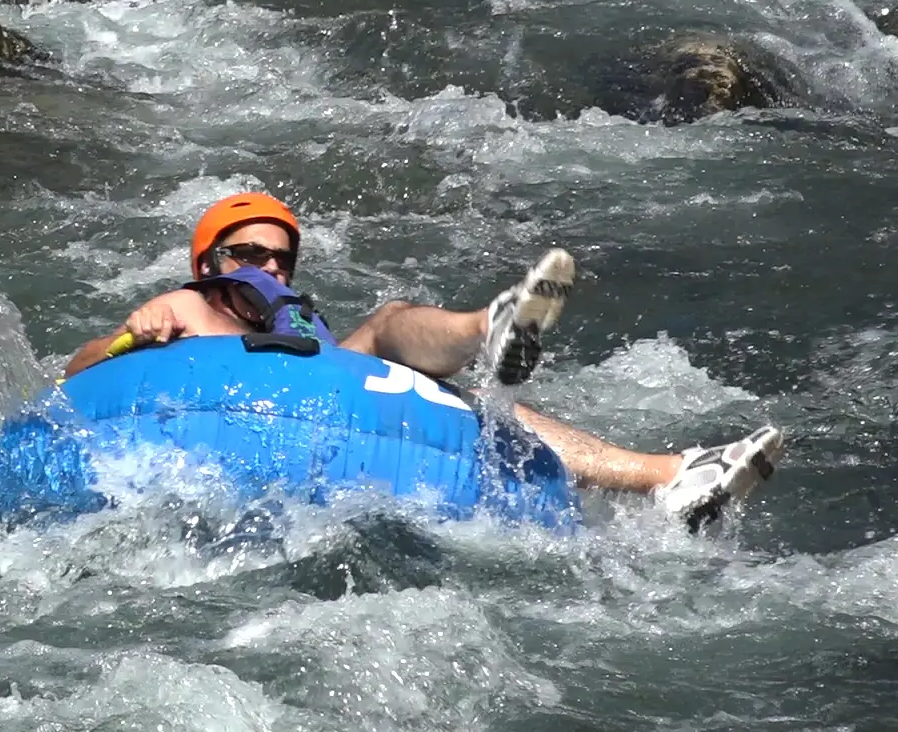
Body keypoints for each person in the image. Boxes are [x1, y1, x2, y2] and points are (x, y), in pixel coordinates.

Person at [65, 192, 785, 533]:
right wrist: (131, 333)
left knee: (428, 363)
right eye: (247, 256)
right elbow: (80, 371)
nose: (268, 269)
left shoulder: (294, 320)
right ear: (208, 262)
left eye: (280, 260)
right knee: (402, 364)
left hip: (314, 403)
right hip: (226, 410)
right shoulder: (184, 309)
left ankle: (668, 474)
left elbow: (346, 368)